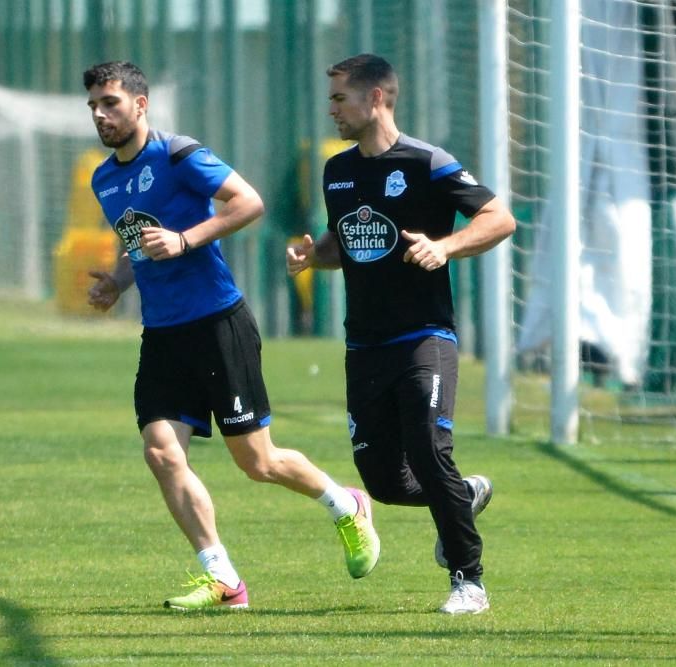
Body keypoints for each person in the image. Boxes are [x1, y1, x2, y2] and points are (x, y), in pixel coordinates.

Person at [82, 61, 379, 611]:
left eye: (111, 104)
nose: (101, 115)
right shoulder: (105, 179)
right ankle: (221, 576)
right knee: (161, 452)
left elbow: (249, 202)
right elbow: (136, 243)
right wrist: (119, 283)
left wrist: (185, 239)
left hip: (218, 323)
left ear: (140, 105)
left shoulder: (178, 155)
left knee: (257, 462)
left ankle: (347, 504)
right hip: (163, 335)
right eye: (95, 106)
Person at [286, 54, 515, 615]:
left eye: (341, 98)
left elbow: (498, 219)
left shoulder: (427, 162)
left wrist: (446, 246)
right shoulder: (337, 171)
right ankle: (467, 497)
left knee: (429, 448)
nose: (332, 109)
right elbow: (346, 243)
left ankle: (469, 581)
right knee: (385, 481)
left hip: (424, 336)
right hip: (364, 343)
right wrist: (314, 255)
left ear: (377, 99)